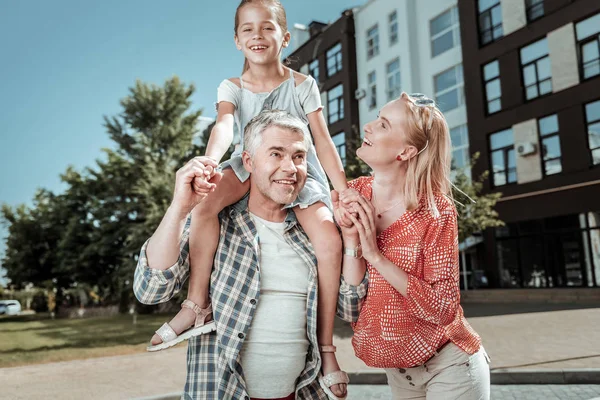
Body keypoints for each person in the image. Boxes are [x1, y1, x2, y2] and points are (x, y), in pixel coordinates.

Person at [148, 2, 349, 397]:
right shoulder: (232, 88)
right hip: (247, 165)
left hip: (295, 171)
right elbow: (224, 125)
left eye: (268, 28)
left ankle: (326, 348)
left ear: (285, 37)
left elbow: (322, 141)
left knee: (328, 239)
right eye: (248, 29)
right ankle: (196, 305)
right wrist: (209, 160)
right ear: (237, 40)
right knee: (205, 205)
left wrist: (342, 187)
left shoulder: (302, 85)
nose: (258, 35)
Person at [134, 110, 355, 400]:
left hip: (302, 392)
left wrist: (352, 241)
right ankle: (195, 307)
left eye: (298, 157)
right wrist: (179, 207)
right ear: (248, 161)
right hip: (221, 391)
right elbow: (150, 290)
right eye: (276, 154)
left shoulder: (315, 232)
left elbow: (351, 309)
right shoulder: (215, 222)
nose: (290, 167)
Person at [335, 93, 491, 400]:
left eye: (382, 125)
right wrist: (352, 241)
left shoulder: (436, 211)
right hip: (401, 376)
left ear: (406, 151)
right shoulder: (352, 193)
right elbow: (349, 307)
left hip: (451, 365)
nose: (368, 126)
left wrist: (376, 256)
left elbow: (444, 310)